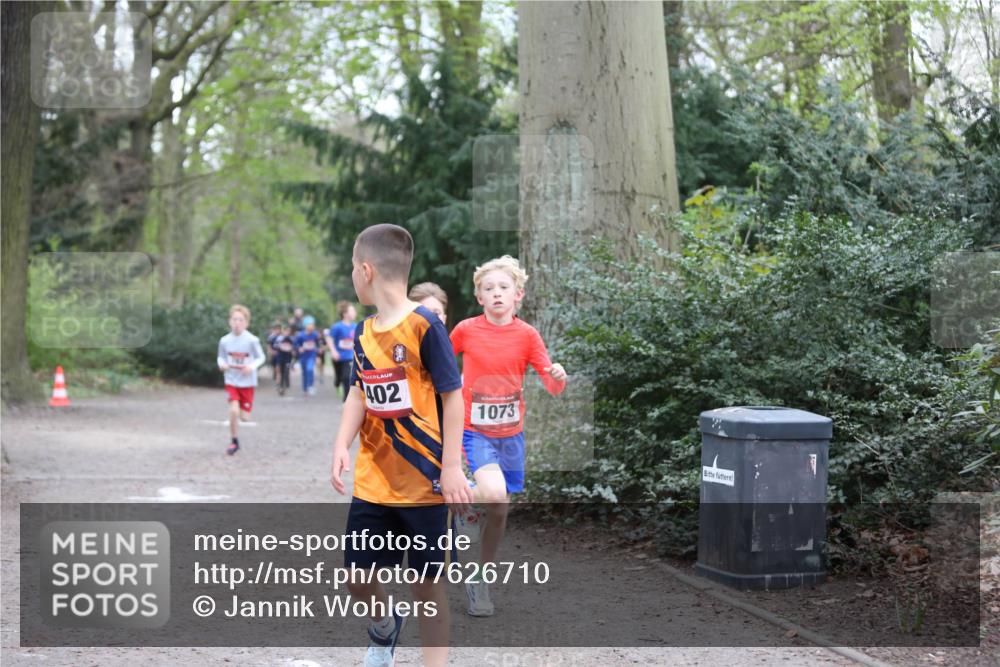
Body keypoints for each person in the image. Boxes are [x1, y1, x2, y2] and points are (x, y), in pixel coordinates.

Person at [329, 223, 471, 667]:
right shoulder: (364, 332)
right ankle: (385, 627)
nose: (353, 277)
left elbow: (453, 394)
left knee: (426, 587)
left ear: (366, 271)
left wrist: (451, 468)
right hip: (373, 481)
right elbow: (358, 391)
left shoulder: (425, 326)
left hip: (424, 485)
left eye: (353, 269)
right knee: (357, 577)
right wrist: (341, 444)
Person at [450, 255, 567, 616]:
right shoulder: (466, 330)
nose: (496, 293)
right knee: (494, 492)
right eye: (489, 288)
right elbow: (437, 365)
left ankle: (479, 577)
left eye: (504, 287)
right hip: (475, 431)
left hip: (511, 435)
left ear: (518, 294)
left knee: (500, 508)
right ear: (479, 297)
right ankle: (458, 501)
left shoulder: (527, 335)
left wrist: (559, 376)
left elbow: (550, 384)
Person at [217, 304, 266, 455]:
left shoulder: (252, 340)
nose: (237, 323)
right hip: (231, 380)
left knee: (244, 417)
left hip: (247, 382)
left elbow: (261, 357)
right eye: (234, 319)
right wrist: (222, 365)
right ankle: (234, 441)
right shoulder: (225, 340)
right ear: (229, 321)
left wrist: (251, 366)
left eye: (241, 320)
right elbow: (220, 356)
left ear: (246, 323)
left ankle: (243, 416)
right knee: (233, 411)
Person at [327, 300, 358, 402]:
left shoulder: (355, 326)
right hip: (338, 357)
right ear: (345, 314)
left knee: (347, 377)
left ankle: (346, 399)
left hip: (349, 357)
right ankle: (337, 382)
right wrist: (333, 351)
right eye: (352, 311)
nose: (355, 313)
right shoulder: (337, 327)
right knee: (339, 377)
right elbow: (329, 339)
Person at [295, 316, 321, 396]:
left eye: (313, 324)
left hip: (311, 355)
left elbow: (317, 344)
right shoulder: (300, 335)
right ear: (305, 325)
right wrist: (299, 348)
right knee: (304, 372)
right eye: (310, 324)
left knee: (310, 369)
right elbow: (296, 344)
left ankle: (310, 386)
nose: (312, 326)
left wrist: (318, 353)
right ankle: (305, 389)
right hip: (303, 357)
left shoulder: (315, 334)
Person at [273, 324, 295, 395]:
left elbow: (294, 348)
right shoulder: (279, 338)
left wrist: (292, 350)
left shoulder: (291, 339)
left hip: (288, 359)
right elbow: (275, 347)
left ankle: (285, 385)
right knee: (281, 372)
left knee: (286, 372)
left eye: (288, 331)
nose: (287, 332)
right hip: (280, 358)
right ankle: (281, 386)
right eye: (285, 331)